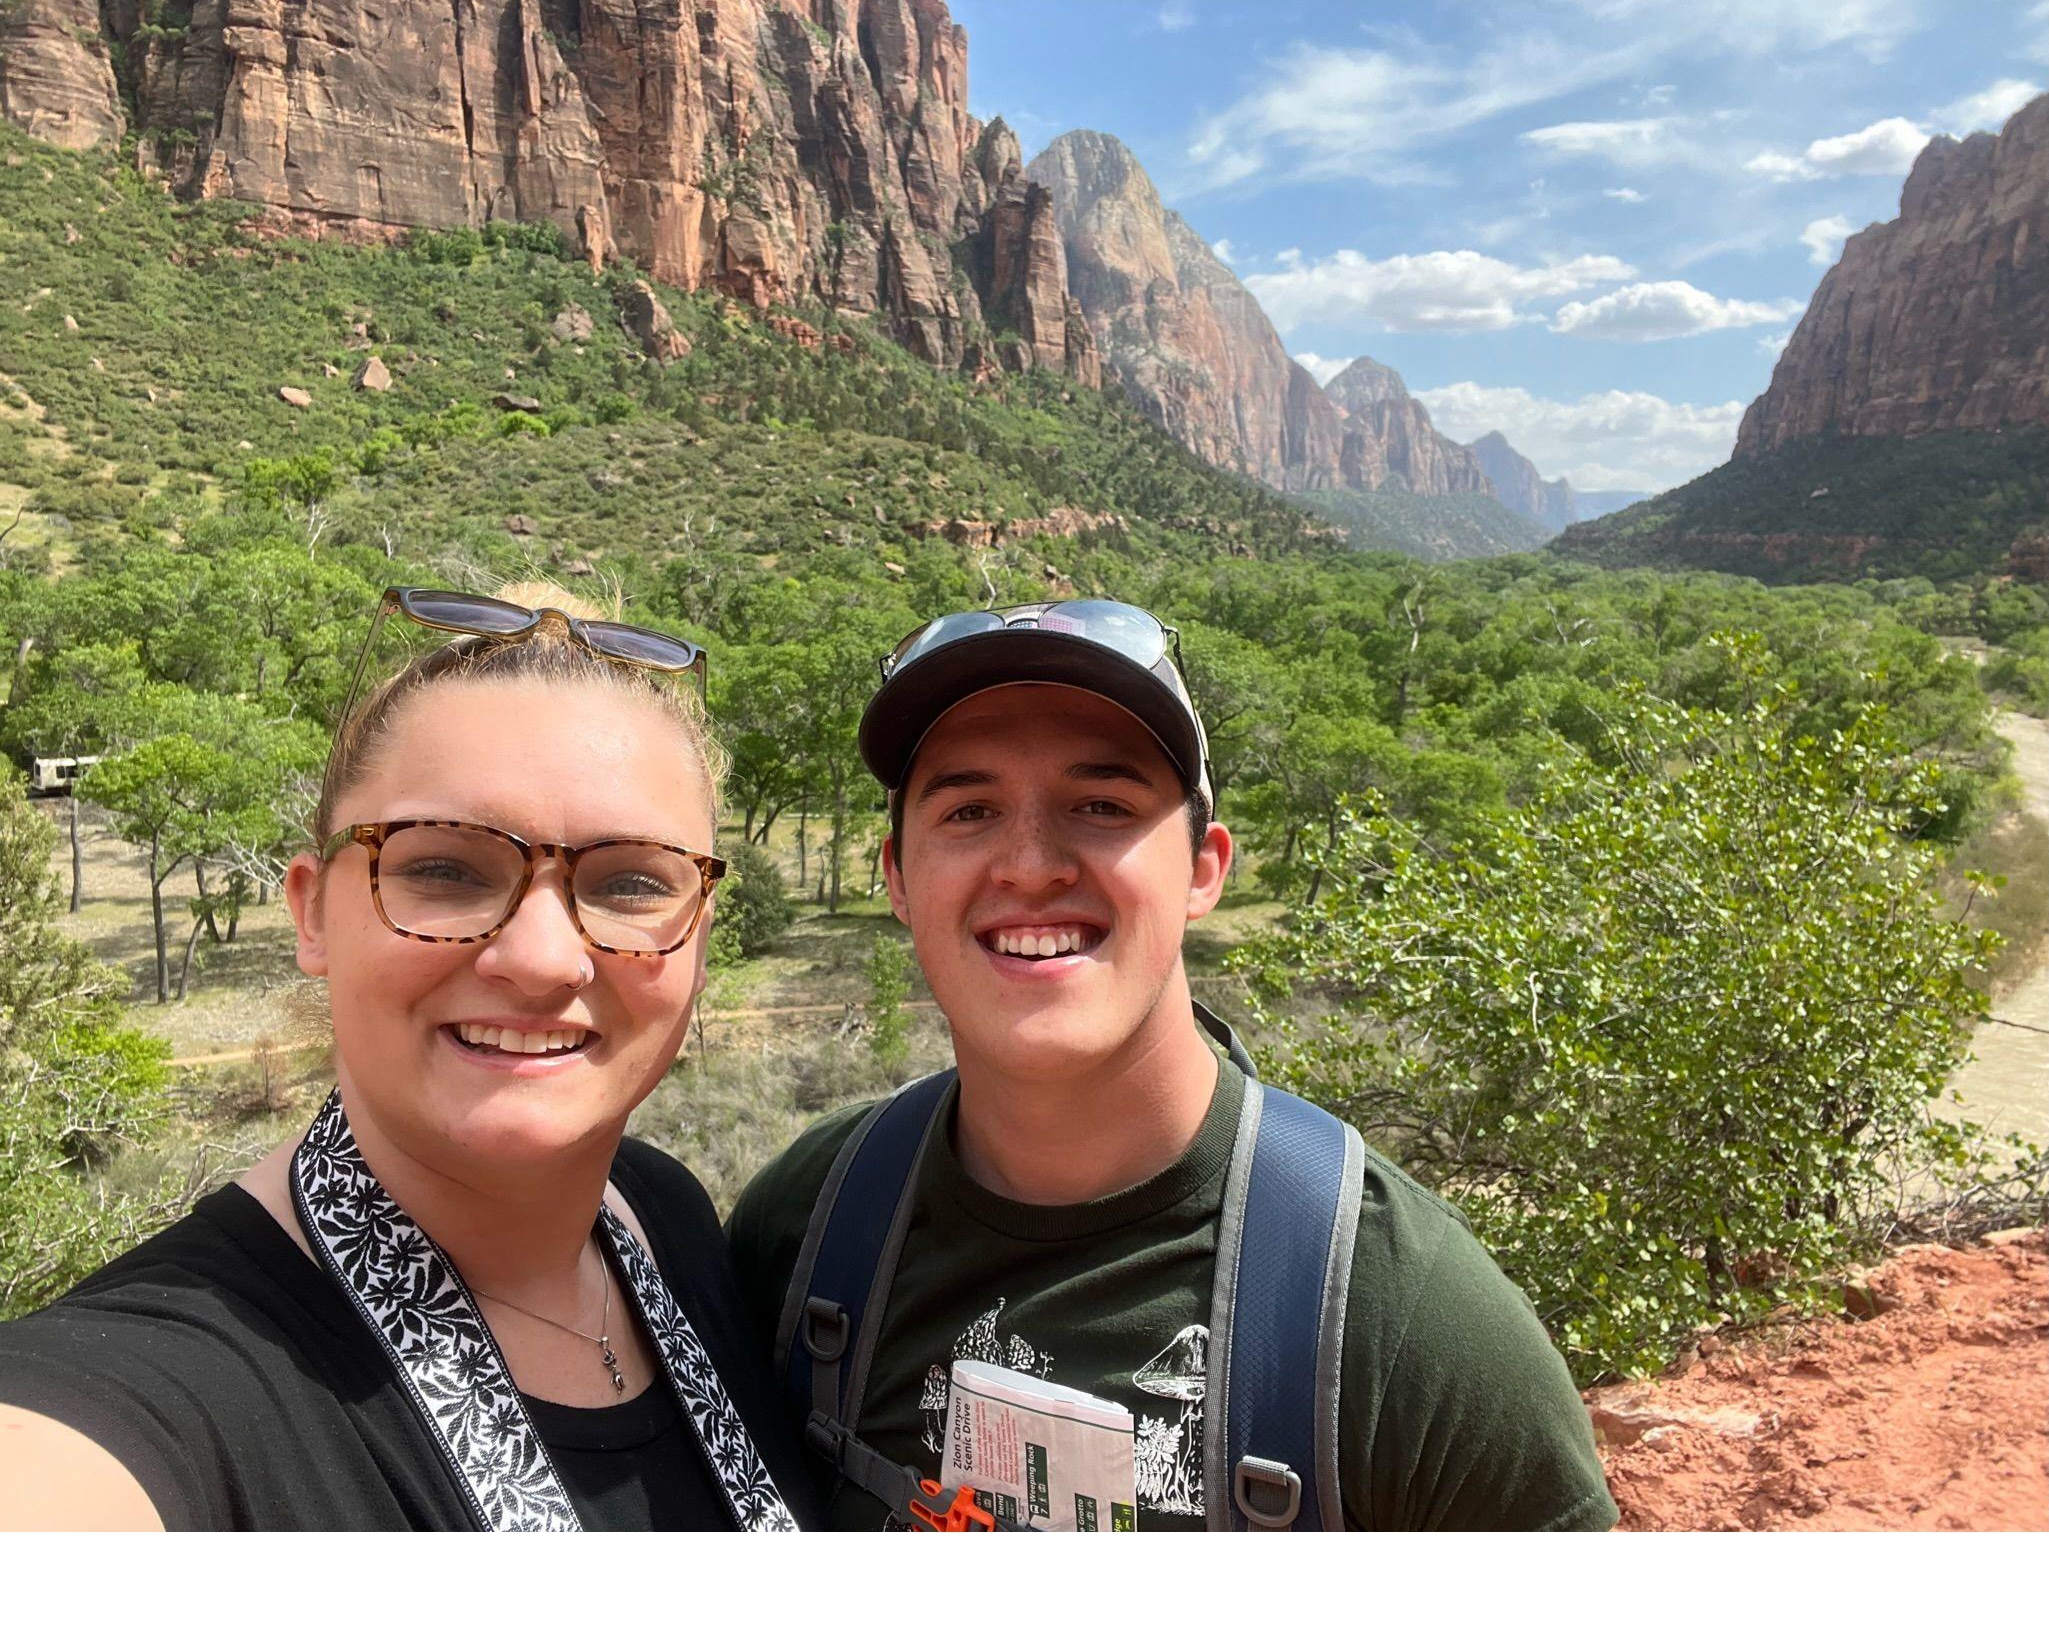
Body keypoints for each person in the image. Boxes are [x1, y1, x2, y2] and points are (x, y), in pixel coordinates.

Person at [728, 598, 1617, 1531]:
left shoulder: (1406, 1322)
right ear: (900, 877)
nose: (1029, 865)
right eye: (969, 808)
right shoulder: (804, 1233)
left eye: (1102, 805)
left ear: (1203, 868)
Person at [0, 585, 813, 1531]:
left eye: (630, 882)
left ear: (701, 933)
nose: (544, 958)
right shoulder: (162, 1387)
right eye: (444, 869)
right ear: (311, 910)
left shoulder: (663, 1217)